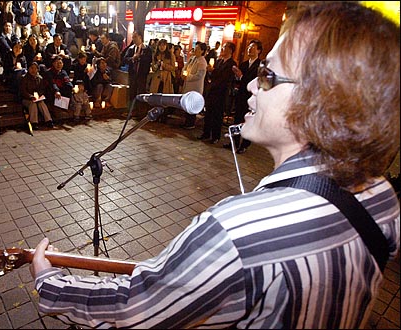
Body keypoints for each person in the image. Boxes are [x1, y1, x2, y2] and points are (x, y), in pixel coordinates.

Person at [30, 2, 400, 328]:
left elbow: (135, 308)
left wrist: (50, 281)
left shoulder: (236, 232)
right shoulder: (381, 196)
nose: (252, 86)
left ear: (320, 101)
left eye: (268, 76)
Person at [224, 39, 263, 154]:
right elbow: (239, 82)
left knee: (248, 122)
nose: (249, 49)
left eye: (253, 47)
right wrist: (237, 77)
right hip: (240, 96)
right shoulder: (244, 64)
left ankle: (244, 145)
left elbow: (256, 82)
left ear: (259, 50)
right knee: (237, 119)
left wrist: (241, 76)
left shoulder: (260, 66)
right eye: (249, 47)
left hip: (251, 98)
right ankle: (234, 142)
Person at [197, 42, 235, 144]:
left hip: (221, 93)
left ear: (230, 50)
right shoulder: (218, 61)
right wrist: (210, 72)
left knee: (217, 116)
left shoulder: (231, 64)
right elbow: (213, 76)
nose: (222, 49)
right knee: (208, 114)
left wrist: (213, 71)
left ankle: (215, 136)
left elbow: (224, 78)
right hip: (212, 91)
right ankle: (206, 133)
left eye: (224, 47)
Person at [123, 30, 152, 110]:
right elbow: (125, 59)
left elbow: (149, 60)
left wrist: (139, 57)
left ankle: (140, 110)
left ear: (140, 37)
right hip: (133, 74)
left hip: (142, 74)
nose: (134, 39)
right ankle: (131, 110)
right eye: (133, 37)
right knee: (132, 92)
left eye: (135, 37)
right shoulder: (131, 49)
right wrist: (132, 58)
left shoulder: (146, 49)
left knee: (141, 92)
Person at [148, 38, 176, 123]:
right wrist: (156, 65)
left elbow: (173, 67)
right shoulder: (155, 54)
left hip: (166, 78)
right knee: (156, 96)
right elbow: (153, 67)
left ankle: (164, 116)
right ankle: (155, 115)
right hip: (157, 78)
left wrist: (164, 65)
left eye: (163, 45)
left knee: (165, 97)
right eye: (160, 45)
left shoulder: (170, 55)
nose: (162, 47)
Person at [20, 61, 53, 130]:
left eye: (35, 68)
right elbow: (23, 91)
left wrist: (39, 96)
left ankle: (48, 120)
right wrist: (30, 96)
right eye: (32, 68)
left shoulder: (40, 78)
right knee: (33, 104)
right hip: (27, 99)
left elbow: (42, 89)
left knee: (41, 103)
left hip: (37, 98)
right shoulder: (24, 78)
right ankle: (34, 122)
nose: (33, 70)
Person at [182, 42, 207, 130]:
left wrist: (188, 77)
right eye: (195, 49)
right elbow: (185, 67)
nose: (195, 50)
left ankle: (190, 123)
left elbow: (199, 75)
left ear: (202, 51)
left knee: (192, 105)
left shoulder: (202, 62)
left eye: (197, 49)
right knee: (187, 104)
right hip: (188, 85)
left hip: (195, 87)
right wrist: (183, 73)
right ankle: (186, 121)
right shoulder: (192, 58)